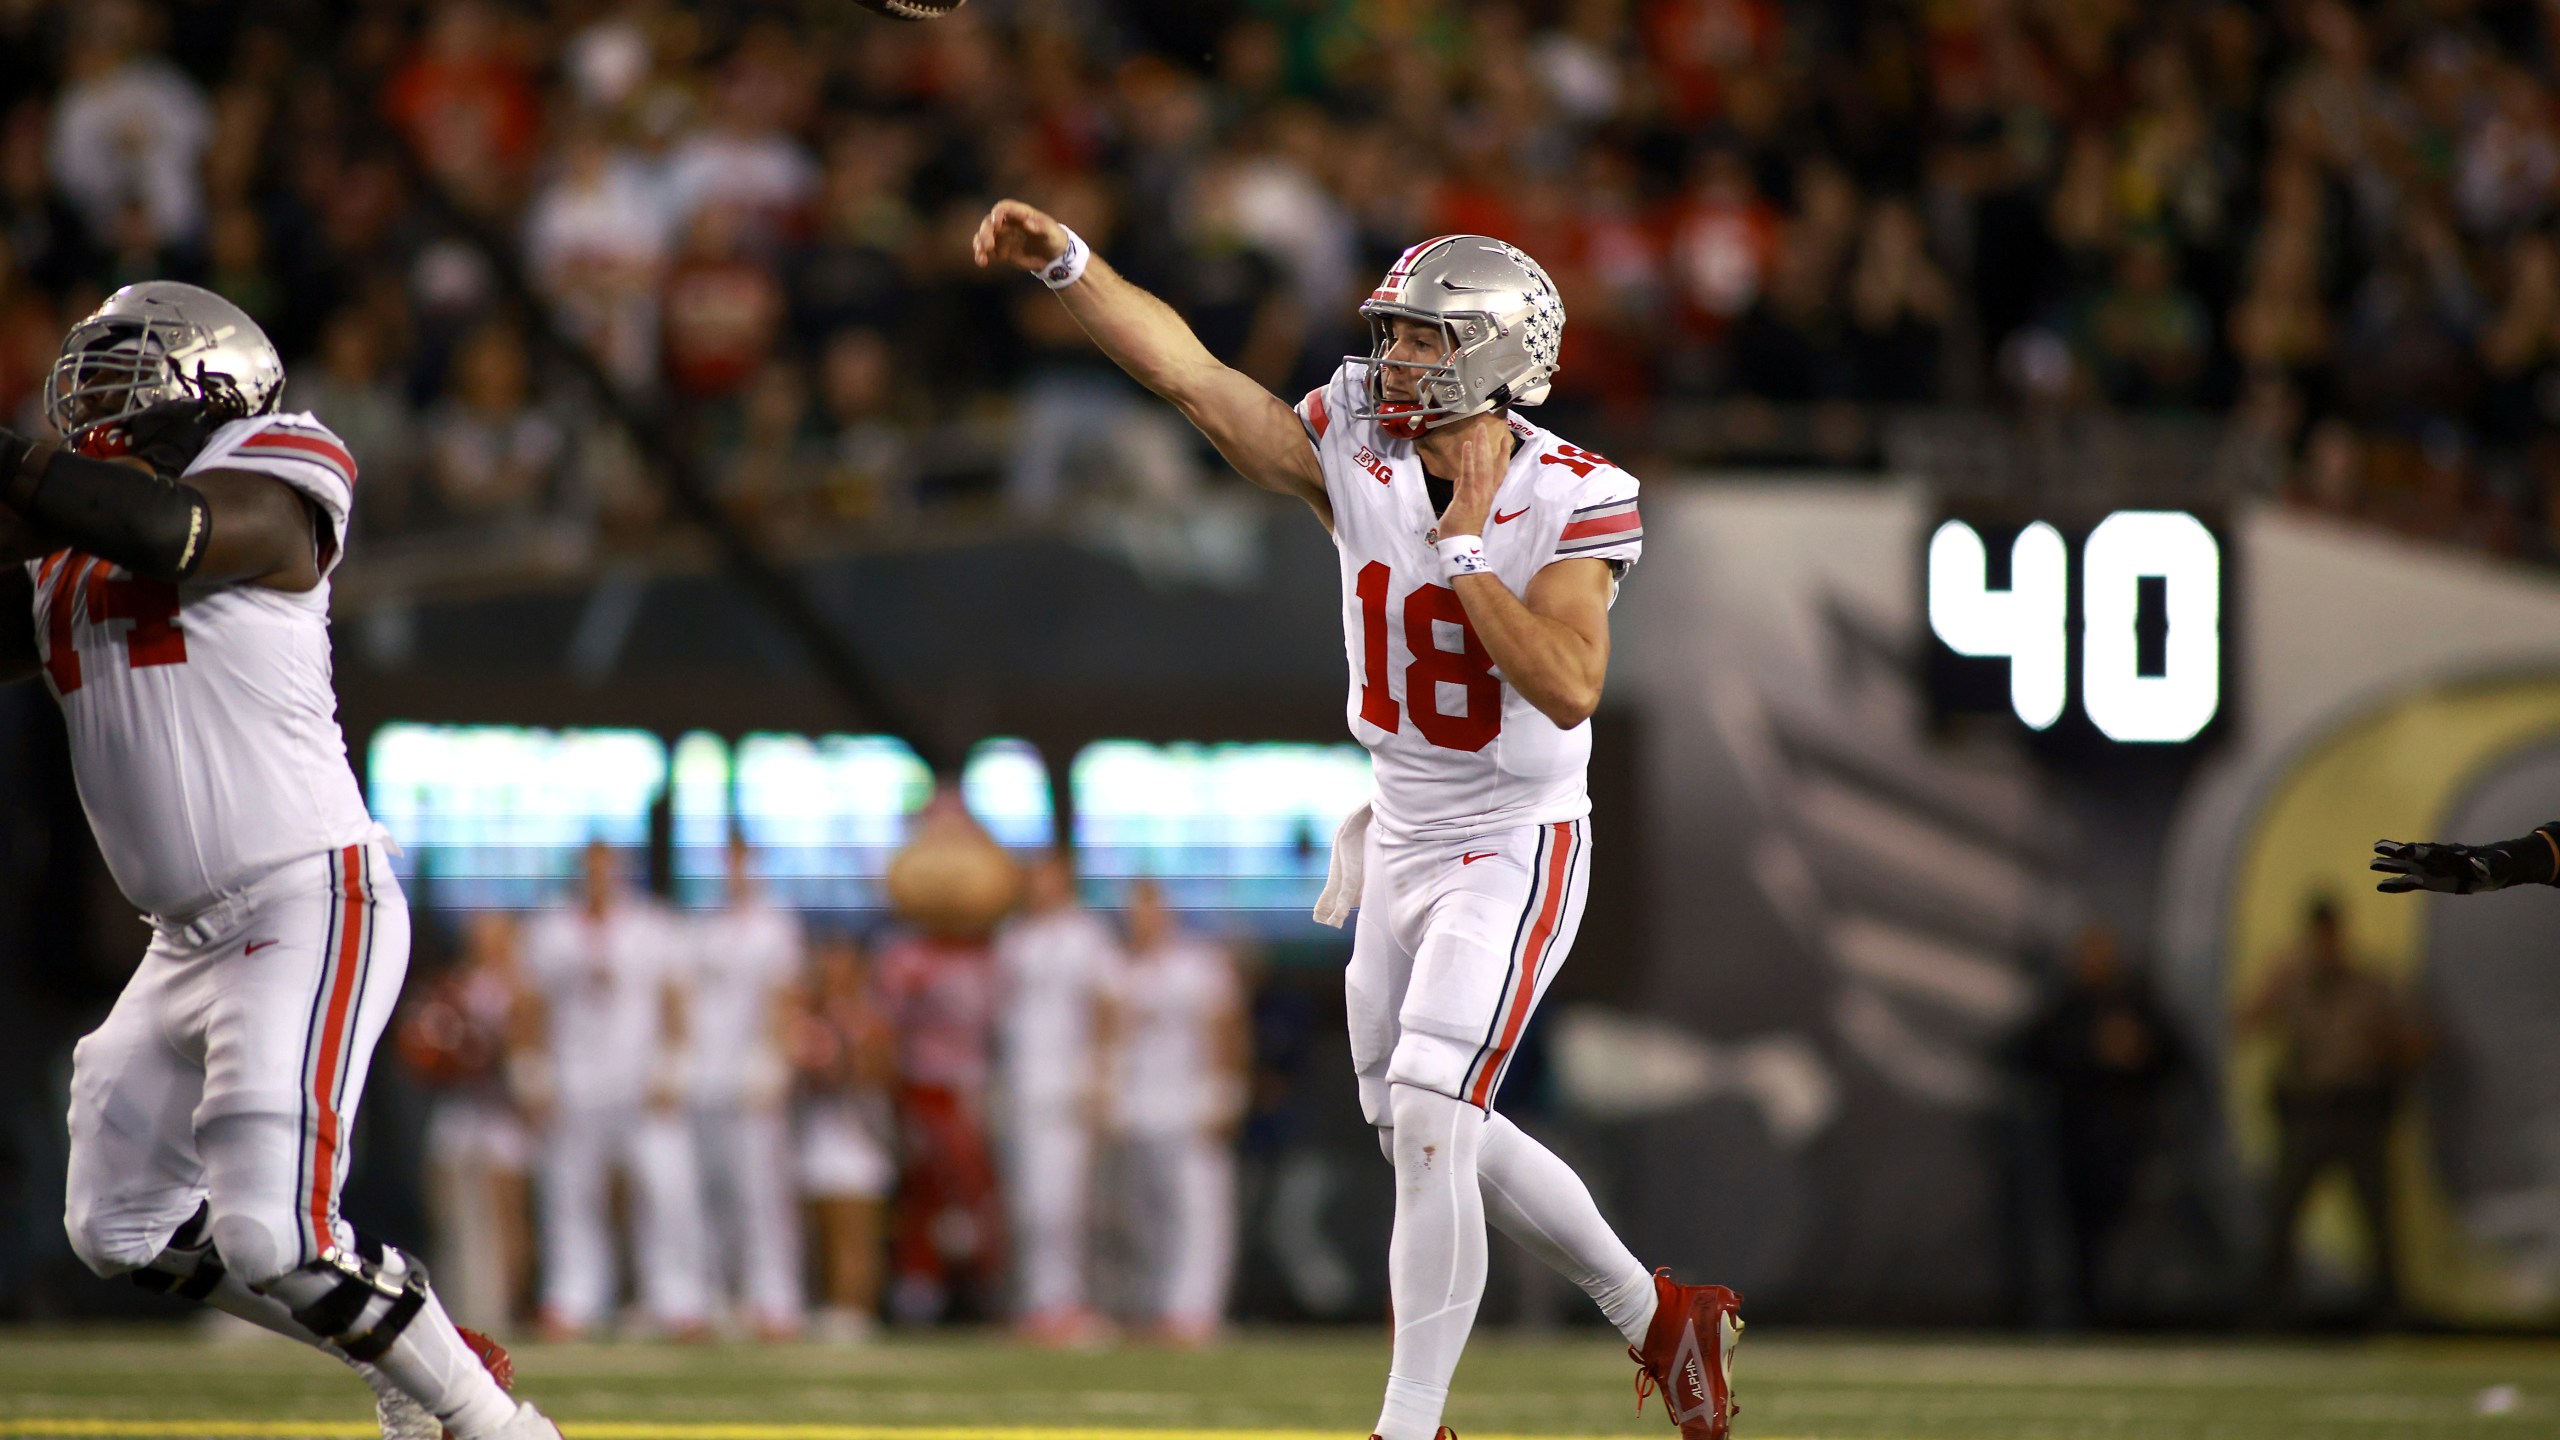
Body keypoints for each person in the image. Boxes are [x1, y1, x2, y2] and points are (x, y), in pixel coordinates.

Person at [974, 206, 1742, 1440]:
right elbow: (1189, 376)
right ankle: (1655, 1312)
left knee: (1437, 1109)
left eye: (1426, 342)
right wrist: (1069, 261)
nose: (1393, 363)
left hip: (1516, 831)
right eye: (1391, 337)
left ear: (1495, 355)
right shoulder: (1355, 441)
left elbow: (1567, 684)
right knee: (1419, 1129)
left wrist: (1467, 549)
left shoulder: (1573, 495)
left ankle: (1408, 1428)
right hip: (1397, 822)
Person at [0, 282, 556, 1438]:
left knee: (273, 1234)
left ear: (205, 383)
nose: (91, 393)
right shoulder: (66, 557)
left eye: (123, 368)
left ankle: (495, 1426)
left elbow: (171, 534)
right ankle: (414, 1349)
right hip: (182, 939)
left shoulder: (282, 462)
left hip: (306, 894)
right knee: (117, 1230)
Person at [517, 838, 709, 1340]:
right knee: (569, 1192)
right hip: (574, 1078)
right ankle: (572, 1295)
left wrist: (673, 1069)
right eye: (592, 868)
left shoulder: (653, 926)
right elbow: (529, 1005)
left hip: (640, 1077)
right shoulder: (552, 929)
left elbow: (675, 1001)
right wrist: (530, 1071)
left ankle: (677, 1295)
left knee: (666, 1188)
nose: (600, 877)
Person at [2238, 898, 2430, 1323]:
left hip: (2358, 1111)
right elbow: (2245, 1025)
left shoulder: (2370, 983)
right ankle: (2269, 1312)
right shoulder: (2293, 982)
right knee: (2283, 1214)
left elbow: (2416, 1044)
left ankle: (2389, 1310)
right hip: (2307, 1111)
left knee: (2377, 1217)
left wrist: (2382, 1041)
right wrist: (2270, 985)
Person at [1098, 878, 1246, 1345]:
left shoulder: (1199, 966)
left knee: (1199, 1213)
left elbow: (1227, 1030)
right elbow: (1107, 1038)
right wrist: (1105, 1092)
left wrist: (1224, 1093)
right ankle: (1153, 1307)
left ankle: (1195, 1309)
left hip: (1190, 1105)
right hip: (1138, 1108)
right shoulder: (1119, 971)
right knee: (1143, 1217)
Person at [2008, 923, 2178, 1323]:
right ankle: (2083, 1314)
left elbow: (2175, 1058)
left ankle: (2132, 1319)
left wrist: (2140, 1048)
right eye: (2087, 952)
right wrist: (2090, 1049)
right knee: (2078, 1236)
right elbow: (2030, 1054)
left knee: (2130, 1233)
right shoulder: (2068, 1003)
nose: (2093, 961)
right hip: (2077, 1135)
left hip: (2128, 1135)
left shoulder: (2136, 1000)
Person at [992, 850, 1118, 1344]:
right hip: (1024, 1086)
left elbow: (1108, 1005)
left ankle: (1067, 1299)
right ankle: (1039, 1300)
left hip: (1068, 1086)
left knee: (1061, 1202)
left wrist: (1101, 1075)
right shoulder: (1014, 939)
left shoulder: (1087, 937)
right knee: (1027, 1204)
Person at [683, 833, 806, 1338]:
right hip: (706, 1076)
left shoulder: (774, 927)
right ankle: (715, 1294)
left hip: (750, 1073)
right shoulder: (701, 928)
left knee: (761, 1191)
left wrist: (772, 1060)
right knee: (710, 1193)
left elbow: (785, 996)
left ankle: (774, 1296)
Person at [395, 912, 537, 1334]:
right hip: (458, 1109)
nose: (485, 943)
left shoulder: (521, 987)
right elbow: (423, 1043)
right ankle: (459, 1307)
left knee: (506, 1216)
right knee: (449, 1214)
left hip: (501, 1110)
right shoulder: (451, 985)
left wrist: (490, 1055)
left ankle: (508, 1312)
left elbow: (526, 1049)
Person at [789, 933, 898, 1342]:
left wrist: (847, 1058)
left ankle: (859, 1307)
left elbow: (879, 1074)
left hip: (859, 1129)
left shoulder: (869, 1019)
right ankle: (833, 1302)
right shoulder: (811, 1017)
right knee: (824, 1223)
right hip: (819, 1128)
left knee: (857, 1223)